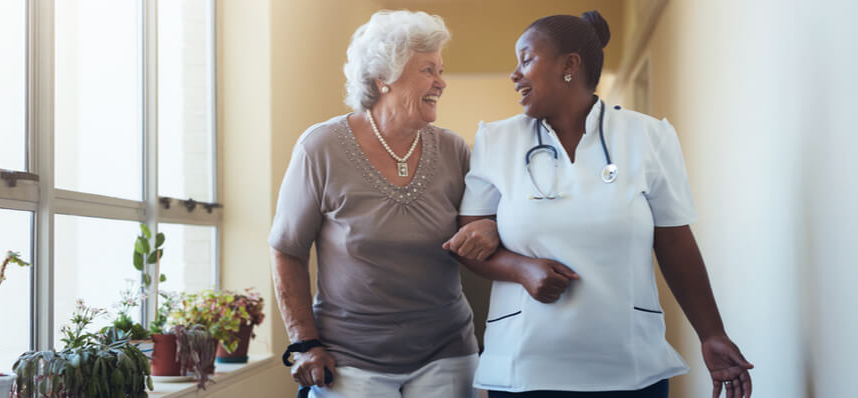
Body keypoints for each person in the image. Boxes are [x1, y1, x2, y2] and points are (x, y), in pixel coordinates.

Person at [444, 10, 754, 398]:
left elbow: (675, 243)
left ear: (569, 65)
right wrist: (521, 269)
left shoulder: (649, 136)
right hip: (524, 366)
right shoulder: (496, 141)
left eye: (526, 60)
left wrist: (711, 334)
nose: (515, 74)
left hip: (629, 366)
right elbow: (467, 244)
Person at [269, 10, 496, 398]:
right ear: (384, 77)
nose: (441, 83)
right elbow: (288, 249)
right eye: (429, 70)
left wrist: (490, 227)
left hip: (448, 352)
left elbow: (481, 223)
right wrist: (305, 342)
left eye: (441, 70)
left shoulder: (453, 149)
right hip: (350, 361)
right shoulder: (320, 148)